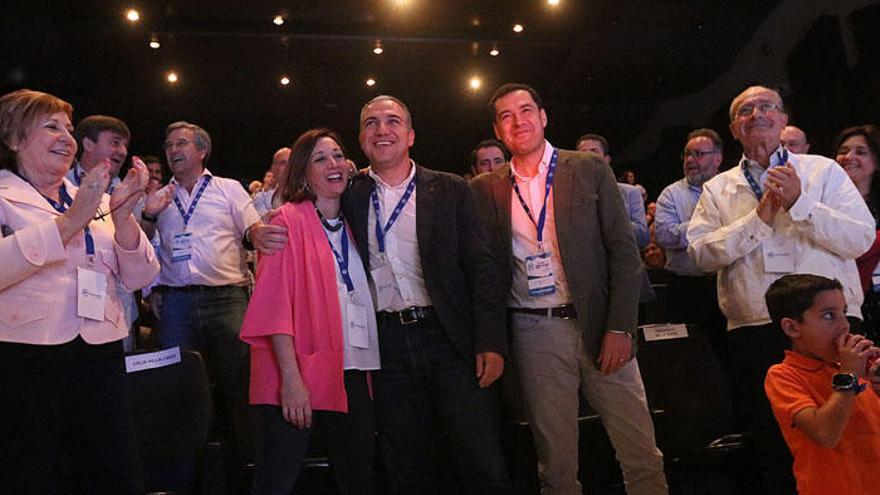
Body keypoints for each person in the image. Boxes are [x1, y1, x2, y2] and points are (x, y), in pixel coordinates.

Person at [472, 83, 667, 495]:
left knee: (640, 450)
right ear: (498, 128)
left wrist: (621, 328)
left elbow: (624, 254)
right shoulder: (485, 188)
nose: (517, 120)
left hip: (600, 325)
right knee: (556, 464)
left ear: (543, 117)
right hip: (533, 330)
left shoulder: (587, 168)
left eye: (526, 110)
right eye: (506, 116)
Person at [687, 85, 875, 494]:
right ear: (734, 129)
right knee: (771, 445)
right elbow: (700, 254)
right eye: (746, 110)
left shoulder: (822, 171)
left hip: (832, 326)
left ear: (784, 119)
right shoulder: (717, 189)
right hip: (755, 328)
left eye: (768, 106)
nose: (757, 114)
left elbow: (860, 239)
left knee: (853, 429)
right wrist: (759, 219)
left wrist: (800, 203)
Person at [343, 95, 510, 494]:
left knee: (479, 456)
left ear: (411, 135)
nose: (382, 130)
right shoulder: (349, 195)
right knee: (407, 462)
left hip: (449, 338)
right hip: (387, 346)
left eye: (392, 121)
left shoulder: (450, 188)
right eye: (371, 123)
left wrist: (491, 341)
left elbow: (482, 268)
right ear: (362, 138)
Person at [0, 89, 159, 493]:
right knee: (30, 472)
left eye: (69, 129)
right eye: (51, 127)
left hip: (100, 351)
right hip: (27, 356)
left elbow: (140, 277)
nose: (67, 138)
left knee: (114, 472)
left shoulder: (96, 198)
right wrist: (70, 222)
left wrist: (122, 218)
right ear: (15, 139)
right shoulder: (7, 198)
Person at [139, 120, 288, 489]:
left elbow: (251, 228)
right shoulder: (159, 198)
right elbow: (142, 246)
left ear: (202, 150)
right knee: (179, 391)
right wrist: (149, 216)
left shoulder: (228, 189)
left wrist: (261, 234)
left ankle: (246, 471)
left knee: (241, 386)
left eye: (182, 143)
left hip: (227, 299)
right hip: (176, 303)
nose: (173, 149)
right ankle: (186, 477)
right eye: (168, 143)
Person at [241, 129, 379, 495]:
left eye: (337, 155)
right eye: (320, 158)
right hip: (295, 372)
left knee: (358, 476)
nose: (333, 164)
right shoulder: (285, 221)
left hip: (351, 367)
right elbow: (272, 308)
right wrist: (291, 380)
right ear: (302, 173)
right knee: (277, 480)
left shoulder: (353, 221)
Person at [763, 274, 880, 495]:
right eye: (829, 316)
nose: (844, 325)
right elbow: (825, 434)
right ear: (792, 328)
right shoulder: (783, 375)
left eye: (844, 313)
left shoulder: (853, 367)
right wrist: (848, 375)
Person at [654, 128, 726, 361]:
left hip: (724, 286)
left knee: (726, 356)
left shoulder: (732, 189)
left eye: (698, 154)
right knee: (686, 360)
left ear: (718, 158)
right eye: (687, 154)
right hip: (684, 289)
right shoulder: (671, 194)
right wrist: (703, 220)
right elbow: (664, 236)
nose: (690, 161)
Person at [835, 125, 880, 342]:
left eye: (860, 152)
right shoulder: (822, 204)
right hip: (841, 304)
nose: (849, 157)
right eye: (843, 151)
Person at [576, 133, 649, 247]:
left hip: (622, 261)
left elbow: (642, 236)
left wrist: (607, 220)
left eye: (594, 151)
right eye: (582, 153)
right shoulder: (568, 196)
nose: (587, 157)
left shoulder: (630, 192)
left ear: (606, 159)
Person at [66, 114, 130, 193]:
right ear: (88, 144)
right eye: (115, 143)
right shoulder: (59, 183)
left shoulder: (129, 195)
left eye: (126, 146)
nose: (123, 152)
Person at [254, 146, 292, 216]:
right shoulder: (262, 197)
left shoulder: (306, 194)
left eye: (291, 162)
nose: (288, 166)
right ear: (273, 169)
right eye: (283, 163)